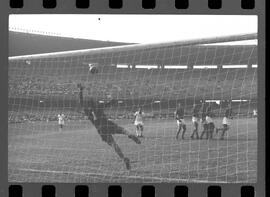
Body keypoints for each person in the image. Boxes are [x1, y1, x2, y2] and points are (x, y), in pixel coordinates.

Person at [77, 83, 141, 170]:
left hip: (100, 129)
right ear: (94, 102)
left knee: (113, 144)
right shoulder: (99, 107)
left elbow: (81, 102)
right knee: (122, 130)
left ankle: (124, 158)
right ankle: (130, 134)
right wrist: (113, 101)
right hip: (107, 123)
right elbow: (108, 104)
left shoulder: (87, 111)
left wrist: (81, 90)